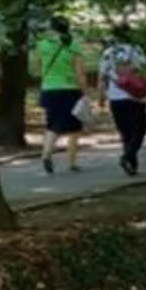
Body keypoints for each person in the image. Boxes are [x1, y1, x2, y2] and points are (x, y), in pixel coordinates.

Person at [33, 15, 90, 173]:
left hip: (49, 89)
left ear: (51, 28)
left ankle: (46, 154)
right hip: (70, 90)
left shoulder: (42, 45)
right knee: (74, 128)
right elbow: (80, 73)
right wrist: (85, 92)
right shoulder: (73, 46)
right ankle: (72, 163)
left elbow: (36, 67)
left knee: (52, 125)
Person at [97, 25, 146, 176]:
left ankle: (131, 163)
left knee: (125, 132)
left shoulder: (108, 53)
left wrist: (101, 97)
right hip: (136, 97)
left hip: (115, 98)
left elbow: (102, 77)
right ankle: (128, 157)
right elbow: (145, 73)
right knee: (140, 129)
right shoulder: (136, 50)